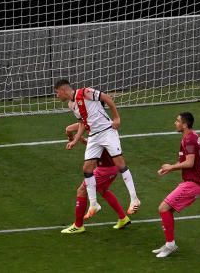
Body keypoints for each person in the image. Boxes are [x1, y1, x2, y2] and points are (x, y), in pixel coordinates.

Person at [55, 79, 141, 218]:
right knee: (87, 169)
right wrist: (75, 140)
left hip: (107, 131)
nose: (57, 96)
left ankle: (134, 198)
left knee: (120, 164)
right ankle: (94, 204)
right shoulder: (71, 105)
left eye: (57, 92)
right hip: (94, 135)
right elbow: (82, 123)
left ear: (63, 90)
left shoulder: (85, 92)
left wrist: (116, 118)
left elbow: (106, 97)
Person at [151, 112, 200, 258]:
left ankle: (170, 245)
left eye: (177, 121)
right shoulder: (192, 136)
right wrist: (169, 169)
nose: (175, 123)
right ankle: (169, 243)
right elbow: (187, 162)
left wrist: (170, 167)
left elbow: (189, 163)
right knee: (167, 210)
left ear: (185, 124)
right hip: (192, 181)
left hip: (193, 183)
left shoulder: (188, 139)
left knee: (163, 208)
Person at [61, 123, 131, 234]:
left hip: (105, 170)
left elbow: (71, 129)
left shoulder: (95, 125)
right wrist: (79, 138)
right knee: (103, 190)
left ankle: (78, 225)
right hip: (110, 168)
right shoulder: (104, 126)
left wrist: (72, 137)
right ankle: (123, 218)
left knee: (82, 190)